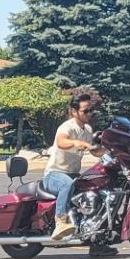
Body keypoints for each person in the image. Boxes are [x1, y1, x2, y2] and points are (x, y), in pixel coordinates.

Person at [41, 89, 100, 241]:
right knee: (66, 185)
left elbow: (94, 151)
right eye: (86, 111)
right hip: (54, 174)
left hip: (73, 174)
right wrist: (75, 142)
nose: (89, 113)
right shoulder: (67, 127)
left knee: (96, 188)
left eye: (91, 110)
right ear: (74, 111)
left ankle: (96, 236)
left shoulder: (87, 129)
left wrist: (111, 152)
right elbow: (61, 142)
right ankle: (60, 221)